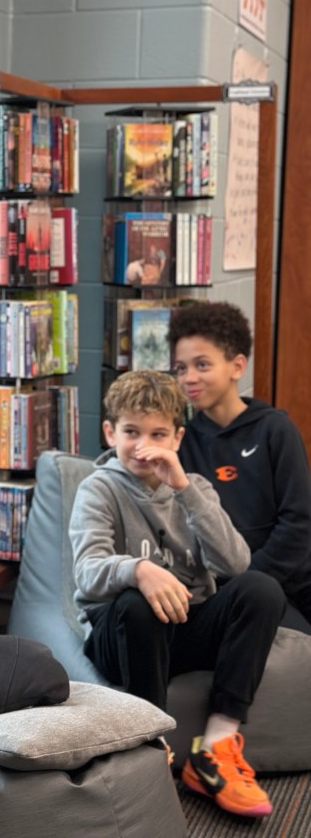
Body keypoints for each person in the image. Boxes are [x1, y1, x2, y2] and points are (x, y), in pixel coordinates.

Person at [69, 369, 285, 818]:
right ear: (110, 432)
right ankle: (151, 748)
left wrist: (184, 490)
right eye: (131, 432)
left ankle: (216, 747)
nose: (143, 446)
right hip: (124, 636)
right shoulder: (99, 489)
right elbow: (87, 572)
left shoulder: (196, 489)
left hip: (187, 625)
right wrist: (138, 569)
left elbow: (236, 564)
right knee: (137, 602)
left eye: (157, 434)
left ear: (177, 437)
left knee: (261, 588)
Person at [168, 300, 311, 634]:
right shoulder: (181, 444)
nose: (189, 378)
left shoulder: (275, 430)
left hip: (288, 585)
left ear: (237, 366)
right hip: (218, 591)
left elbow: (298, 524)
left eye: (202, 365)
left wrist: (250, 580)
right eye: (181, 368)